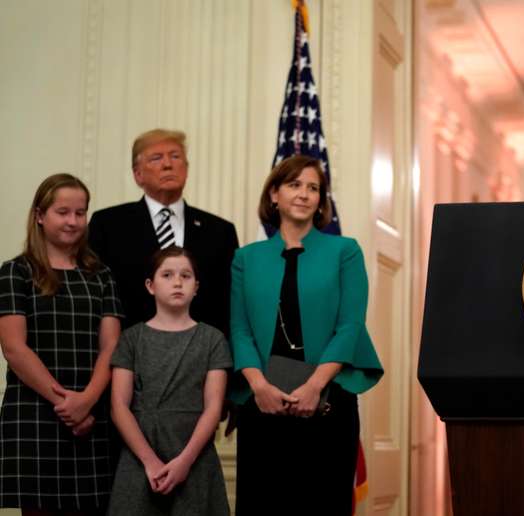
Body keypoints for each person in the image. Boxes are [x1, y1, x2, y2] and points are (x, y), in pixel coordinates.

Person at [230, 155, 383, 515]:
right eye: (294, 185)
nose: (304, 194)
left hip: (328, 404)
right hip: (264, 402)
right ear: (274, 195)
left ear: (321, 201)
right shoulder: (246, 258)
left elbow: (350, 325)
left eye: (313, 188)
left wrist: (314, 386)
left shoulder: (344, 251)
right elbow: (239, 329)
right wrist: (259, 387)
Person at [0, 173, 123, 515]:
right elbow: (14, 348)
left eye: (80, 213)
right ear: (40, 215)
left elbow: (111, 346)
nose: (73, 221)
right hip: (35, 414)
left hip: (92, 412)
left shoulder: (101, 275)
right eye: (63, 211)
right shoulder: (16, 272)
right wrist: (67, 405)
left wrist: (86, 401)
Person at [107, 246, 231, 516]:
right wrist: (150, 461)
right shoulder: (131, 339)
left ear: (196, 287)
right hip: (141, 456)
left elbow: (213, 408)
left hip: (194, 457)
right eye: (167, 275)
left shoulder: (213, 340)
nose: (177, 282)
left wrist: (184, 462)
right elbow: (118, 405)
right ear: (150, 286)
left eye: (186, 276)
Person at [89, 128, 239, 334]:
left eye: (176, 156)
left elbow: (228, 304)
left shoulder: (220, 231)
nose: (168, 164)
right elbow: (96, 298)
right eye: (156, 158)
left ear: (186, 169)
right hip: (129, 350)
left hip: (203, 354)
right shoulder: (108, 225)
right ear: (138, 175)